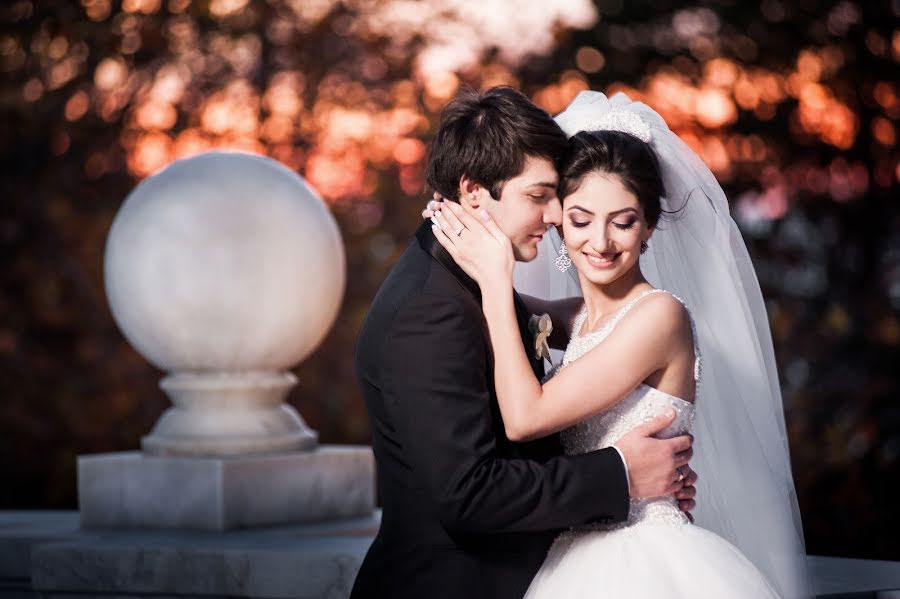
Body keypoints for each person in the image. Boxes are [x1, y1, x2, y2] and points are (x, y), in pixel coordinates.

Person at [428, 91, 813, 598]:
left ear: (649, 225)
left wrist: (496, 282)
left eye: (623, 221)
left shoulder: (659, 317)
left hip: (644, 561)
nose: (601, 242)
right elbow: (519, 324)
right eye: (582, 220)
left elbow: (525, 416)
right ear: (559, 218)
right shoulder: (578, 317)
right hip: (573, 552)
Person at [350, 87, 698, 599]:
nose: (557, 216)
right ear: (473, 192)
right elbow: (469, 494)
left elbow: (589, 331)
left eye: (621, 220)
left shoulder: (469, 282)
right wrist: (622, 473)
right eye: (539, 197)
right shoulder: (431, 311)